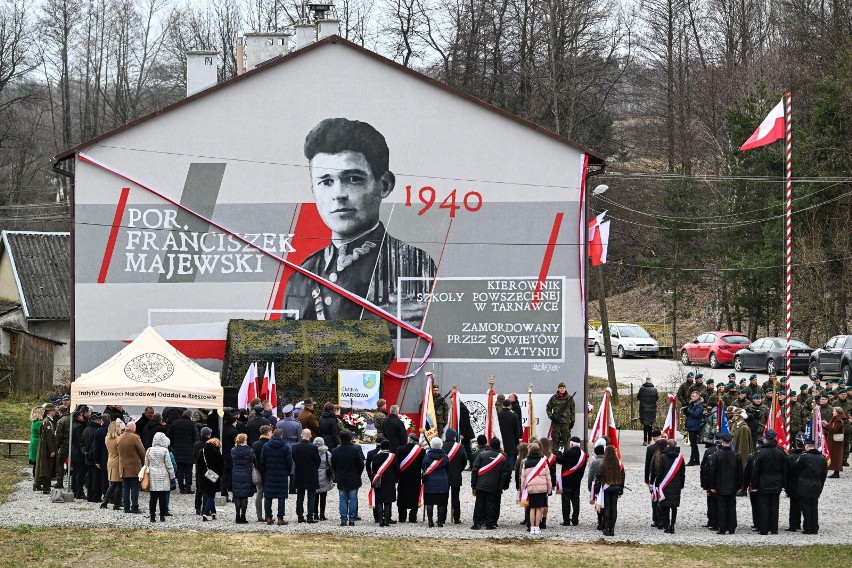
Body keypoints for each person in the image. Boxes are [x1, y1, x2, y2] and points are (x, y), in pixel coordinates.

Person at [283, 118, 436, 324]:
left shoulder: (413, 263)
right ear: (313, 189)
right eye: (326, 182)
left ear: (384, 185)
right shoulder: (302, 276)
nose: (338, 194)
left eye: (353, 179)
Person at [752, 429, 787, 535]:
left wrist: (754, 484)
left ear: (766, 439)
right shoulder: (780, 452)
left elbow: (756, 470)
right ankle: (774, 528)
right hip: (776, 483)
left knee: (764, 507)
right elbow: (785, 469)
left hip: (763, 483)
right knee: (774, 507)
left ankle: (764, 529)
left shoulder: (761, 452)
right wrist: (784, 484)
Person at [470, 437, 510, 530]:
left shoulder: (482, 455)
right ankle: (489, 524)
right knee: (491, 504)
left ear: (490, 445)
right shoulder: (503, 458)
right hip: (494, 486)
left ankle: (477, 523)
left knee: (479, 503)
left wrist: (473, 484)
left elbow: (475, 470)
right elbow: (505, 474)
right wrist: (501, 487)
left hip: (481, 484)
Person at [709, 432, 742, 534]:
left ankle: (722, 528)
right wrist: (739, 485)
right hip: (732, 485)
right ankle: (732, 528)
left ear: (722, 442)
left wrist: (712, 486)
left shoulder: (717, 455)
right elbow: (740, 472)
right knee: (732, 506)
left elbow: (712, 472)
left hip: (720, 485)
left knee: (722, 506)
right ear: (731, 441)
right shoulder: (736, 455)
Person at [259, 429, 294, 525]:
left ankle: (269, 517)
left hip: (269, 473)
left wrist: (265, 472)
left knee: (268, 496)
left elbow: (262, 461)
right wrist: (287, 472)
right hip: (281, 474)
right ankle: (280, 517)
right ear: (281, 436)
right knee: (281, 496)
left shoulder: (266, 446)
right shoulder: (285, 447)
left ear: (273, 435)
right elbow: (289, 462)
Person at [330, 429, 365, 526]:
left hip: (341, 477)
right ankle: (352, 519)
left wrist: (337, 473)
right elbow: (361, 464)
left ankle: (343, 519)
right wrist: (358, 473)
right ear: (350, 438)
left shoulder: (335, 450)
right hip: (353, 476)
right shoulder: (355, 449)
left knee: (343, 499)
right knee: (353, 499)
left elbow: (333, 464)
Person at [796, 437, 828, 534]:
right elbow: (824, 474)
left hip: (805, 485)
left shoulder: (805, 457)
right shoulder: (822, 458)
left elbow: (796, 468)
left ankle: (808, 528)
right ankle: (815, 528)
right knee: (814, 507)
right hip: (817, 485)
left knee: (806, 507)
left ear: (807, 446)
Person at [654, 439, 685, 534]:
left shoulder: (663, 457)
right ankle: (672, 526)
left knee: (665, 507)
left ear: (668, 446)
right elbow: (682, 473)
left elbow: (659, 472)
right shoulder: (680, 457)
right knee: (674, 507)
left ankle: (666, 526)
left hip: (665, 485)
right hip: (676, 484)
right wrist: (681, 484)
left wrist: (657, 484)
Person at [521, 442, 552, 535]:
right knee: (539, 508)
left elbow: (523, 478)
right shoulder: (544, 462)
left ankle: (531, 527)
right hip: (542, 489)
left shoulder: (526, 462)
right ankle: (537, 527)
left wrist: (523, 490)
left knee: (531, 508)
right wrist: (549, 489)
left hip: (530, 489)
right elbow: (548, 477)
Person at [593, 445, 624, 537]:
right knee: (614, 508)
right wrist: (621, 489)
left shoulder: (603, 463)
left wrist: (597, 490)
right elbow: (623, 477)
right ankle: (612, 528)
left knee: (606, 508)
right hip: (616, 487)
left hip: (606, 488)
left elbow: (598, 477)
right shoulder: (619, 463)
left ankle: (607, 529)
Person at [555, 436, 587, 527]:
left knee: (566, 500)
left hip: (566, 480)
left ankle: (566, 520)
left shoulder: (567, 453)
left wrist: (560, 452)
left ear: (571, 444)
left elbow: (559, 460)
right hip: (577, 480)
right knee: (576, 500)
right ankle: (575, 519)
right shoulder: (583, 455)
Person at [292, 428, 321, 523]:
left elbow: (294, 458)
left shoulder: (295, 446)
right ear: (311, 436)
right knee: (311, 496)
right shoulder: (313, 447)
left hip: (299, 472)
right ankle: (310, 516)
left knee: (300, 495)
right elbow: (318, 461)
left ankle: (300, 516)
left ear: (301, 435)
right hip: (311, 473)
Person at [369, 439, 400, 527]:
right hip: (389, 481)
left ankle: (380, 520)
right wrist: (395, 479)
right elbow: (396, 469)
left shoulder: (375, 457)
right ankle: (386, 520)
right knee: (388, 500)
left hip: (378, 481)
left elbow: (373, 470)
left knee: (379, 500)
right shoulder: (393, 457)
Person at [145, 432, 175, 522]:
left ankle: (152, 517)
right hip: (163, 474)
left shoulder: (149, 450)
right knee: (162, 497)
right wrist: (172, 476)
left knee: (153, 498)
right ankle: (162, 516)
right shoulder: (165, 450)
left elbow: (146, 464)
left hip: (152, 474)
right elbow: (169, 465)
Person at [166, 409, 198, 494]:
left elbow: (168, 435)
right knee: (188, 470)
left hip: (177, 450)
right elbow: (196, 437)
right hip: (189, 450)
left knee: (179, 469)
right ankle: (188, 487)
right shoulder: (192, 424)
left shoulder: (175, 423)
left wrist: (173, 445)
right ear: (190, 416)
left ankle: (181, 487)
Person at [395, 433, 425, 522]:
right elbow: (423, 466)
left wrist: (397, 477)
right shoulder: (421, 451)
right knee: (414, 496)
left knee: (402, 496)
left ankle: (402, 517)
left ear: (408, 440)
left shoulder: (401, 449)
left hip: (403, 477)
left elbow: (396, 464)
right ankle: (413, 517)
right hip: (415, 477)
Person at [117, 421, 145, 514]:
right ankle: (134, 507)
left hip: (123, 467)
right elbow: (142, 451)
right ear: (133, 428)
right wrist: (144, 463)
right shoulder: (135, 437)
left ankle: (126, 507)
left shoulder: (120, 437)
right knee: (135, 488)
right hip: (134, 467)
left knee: (125, 488)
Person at [440, 428, 467, 525]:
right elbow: (464, 461)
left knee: (443, 497)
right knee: (456, 498)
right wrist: (459, 470)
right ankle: (456, 518)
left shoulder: (442, 446)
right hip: (456, 475)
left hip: (444, 475)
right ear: (454, 437)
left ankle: (442, 518)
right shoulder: (460, 447)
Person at [422, 437, 450, 527]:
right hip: (442, 481)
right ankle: (440, 522)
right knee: (441, 503)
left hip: (430, 481)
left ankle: (430, 522)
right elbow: (448, 469)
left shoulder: (427, 455)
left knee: (429, 502)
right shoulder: (445, 457)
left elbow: (423, 467)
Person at [229, 432, 255, 524]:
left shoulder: (233, 450)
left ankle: (237, 515)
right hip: (246, 473)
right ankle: (243, 516)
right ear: (245, 440)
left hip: (236, 473)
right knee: (244, 497)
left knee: (237, 495)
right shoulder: (250, 450)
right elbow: (254, 460)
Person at [197, 436, 224, 521]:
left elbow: (198, 464)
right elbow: (221, 466)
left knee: (209, 494)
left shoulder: (202, 451)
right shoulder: (216, 453)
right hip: (213, 476)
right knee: (211, 495)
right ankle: (205, 513)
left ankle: (213, 513)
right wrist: (220, 475)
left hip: (203, 476)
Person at [34, 403, 57, 494]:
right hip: (47, 449)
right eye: (54, 410)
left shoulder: (47, 421)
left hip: (45, 447)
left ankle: (40, 484)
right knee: (47, 467)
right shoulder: (48, 422)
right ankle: (46, 487)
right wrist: (51, 450)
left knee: (46, 466)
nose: (55, 412)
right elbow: (48, 438)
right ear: (50, 411)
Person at [101, 419, 124, 510]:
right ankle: (116, 503)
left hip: (110, 460)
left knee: (113, 483)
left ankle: (106, 500)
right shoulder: (119, 439)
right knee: (118, 484)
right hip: (118, 461)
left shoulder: (107, 438)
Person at [250, 424, 272, 522]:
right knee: (267, 494)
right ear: (268, 433)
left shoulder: (255, 444)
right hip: (268, 471)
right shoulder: (270, 444)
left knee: (259, 494)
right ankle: (268, 515)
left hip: (258, 471)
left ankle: (259, 516)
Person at [785, 434, 806, 532]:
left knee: (794, 505)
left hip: (793, 484)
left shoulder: (790, 457)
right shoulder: (807, 456)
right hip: (804, 484)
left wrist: (785, 486)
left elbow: (787, 473)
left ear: (795, 444)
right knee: (804, 505)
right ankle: (806, 523)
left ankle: (794, 524)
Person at [700, 434, 721, 530]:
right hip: (722, 482)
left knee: (711, 502)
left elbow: (703, 469)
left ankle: (712, 521)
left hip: (711, 481)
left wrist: (704, 483)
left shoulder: (709, 452)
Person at [644, 430, 664, 528]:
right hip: (665, 477)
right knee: (664, 498)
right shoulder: (667, 446)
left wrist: (646, 479)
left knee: (655, 498)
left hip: (655, 477)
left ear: (653, 438)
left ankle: (656, 520)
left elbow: (647, 465)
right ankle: (664, 519)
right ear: (660, 436)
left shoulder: (651, 448)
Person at [546, 382, 575, 448]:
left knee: (566, 440)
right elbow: (548, 408)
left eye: (563, 388)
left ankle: (566, 455)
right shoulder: (554, 398)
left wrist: (572, 421)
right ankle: (555, 456)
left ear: (565, 388)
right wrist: (551, 417)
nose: (562, 389)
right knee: (555, 440)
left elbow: (573, 410)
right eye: (560, 388)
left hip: (566, 423)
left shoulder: (569, 398)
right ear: (558, 389)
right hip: (556, 423)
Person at [82, 412, 102, 502]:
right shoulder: (98, 431)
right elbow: (96, 446)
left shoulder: (86, 430)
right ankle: (96, 496)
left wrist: (85, 452)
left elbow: (81, 443)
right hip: (95, 457)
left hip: (87, 457)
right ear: (98, 420)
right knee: (96, 478)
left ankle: (89, 495)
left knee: (89, 477)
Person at [69, 408, 89, 499]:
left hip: (73, 451)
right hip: (78, 452)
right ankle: (79, 491)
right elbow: (79, 441)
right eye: (81, 415)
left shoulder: (72, 425)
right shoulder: (78, 427)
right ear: (78, 417)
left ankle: (74, 489)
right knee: (80, 472)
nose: (82, 417)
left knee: (75, 472)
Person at [313, 436, 334, 520]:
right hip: (324, 474)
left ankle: (315, 514)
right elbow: (330, 464)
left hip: (314, 474)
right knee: (323, 496)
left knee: (314, 496)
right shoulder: (327, 453)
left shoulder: (312, 451)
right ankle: (322, 514)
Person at [497, 399, 521, 471]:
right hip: (511, 440)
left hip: (500, 440)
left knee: (500, 458)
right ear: (510, 405)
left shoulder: (498, 415)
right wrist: (516, 441)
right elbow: (517, 430)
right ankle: (509, 472)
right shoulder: (514, 416)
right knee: (511, 458)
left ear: (502, 405)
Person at [586, 443, 606, 531]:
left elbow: (590, 475)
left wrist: (590, 487)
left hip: (597, 486)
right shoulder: (607, 461)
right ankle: (606, 521)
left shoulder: (594, 462)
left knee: (598, 504)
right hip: (607, 484)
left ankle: (600, 521)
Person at [824, 406, 847, 477]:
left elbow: (834, 429)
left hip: (836, 442)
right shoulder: (836, 419)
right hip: (834, 441)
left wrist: (826, 424)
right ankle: (835, 472)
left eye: (834, 411)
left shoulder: (838, 420)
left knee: (837, 456)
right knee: (835, 456)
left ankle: (836, 473)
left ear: (837, 412)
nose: (832, 412)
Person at [683, 391, 704, 465]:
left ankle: (692, 460)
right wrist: (685, 411)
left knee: (693, 444)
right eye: (691, 395)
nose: (692, 397)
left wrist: (688, 410)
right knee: (693, 444)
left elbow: (696, 415)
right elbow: (690, 414)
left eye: (693, 396)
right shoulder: (692, 403)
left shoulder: (700, 405)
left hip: (695, 426)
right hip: (691, 425)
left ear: (697, 397)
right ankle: (697, 460)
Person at [637, 376, 659, 445]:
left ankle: (645, 441)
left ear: (646, 381)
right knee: (650, 425)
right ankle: (649, 439)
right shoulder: (654, 389)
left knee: (645, 425)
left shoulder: (642, 389)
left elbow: (638, 397)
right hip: (652, 409)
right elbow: (657, 398)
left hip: (643, 409)